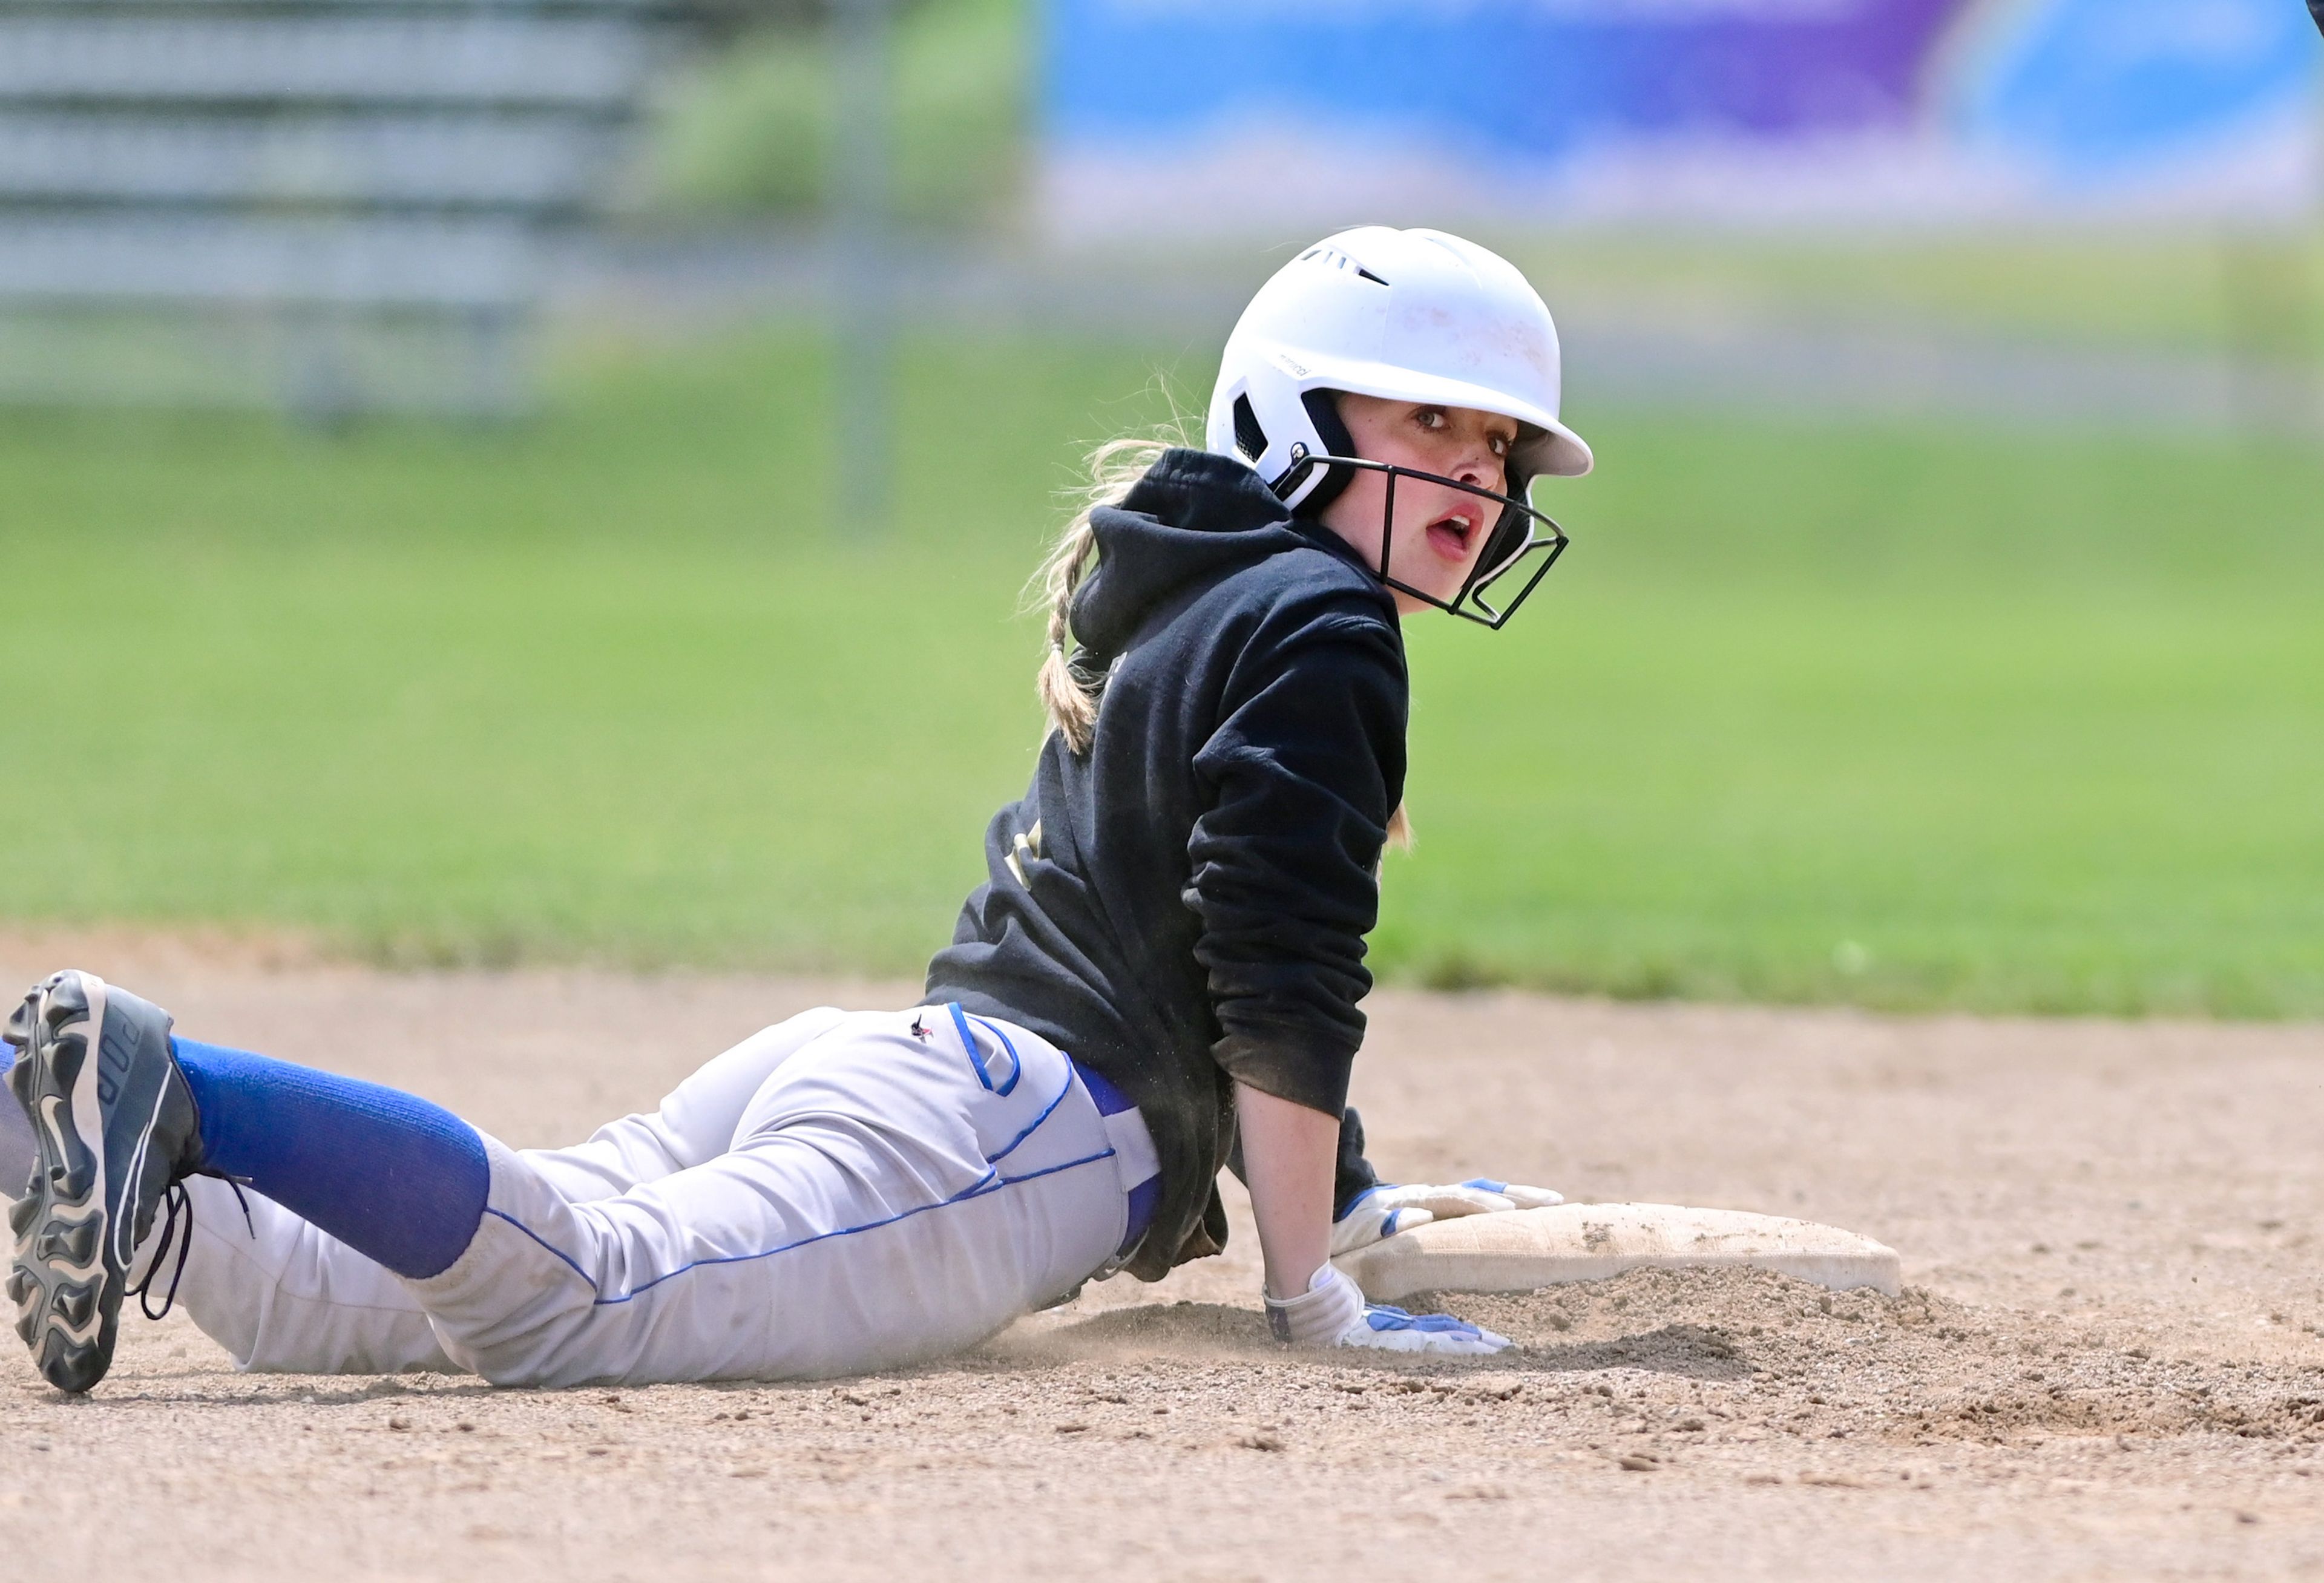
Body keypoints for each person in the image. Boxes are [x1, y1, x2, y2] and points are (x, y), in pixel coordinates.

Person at [3, 226, 1589, 1394]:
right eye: (1428, 425)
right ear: (1297, 419)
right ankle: (178, 1082)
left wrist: (1358, 1188)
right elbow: (1277, 970)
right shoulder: (1324, 622)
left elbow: (1213, 920)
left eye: (1501, 448)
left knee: (333, 1309)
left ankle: (54, 1122)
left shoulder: (1208, 588)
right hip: (1015, 1134)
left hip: (893, 1072)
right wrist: (1316, 1300)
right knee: (580, 1301)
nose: (1477, 480)